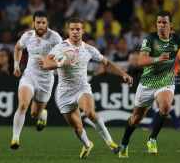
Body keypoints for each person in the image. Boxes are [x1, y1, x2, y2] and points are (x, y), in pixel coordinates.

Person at [43, 17, 133, 159]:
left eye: (78, 29)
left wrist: (123, 74)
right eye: (72, 29)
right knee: (77, 128)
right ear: (68, 31)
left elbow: (107, 63)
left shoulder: (88, 49)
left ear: (83, 30)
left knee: (90, 112)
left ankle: (110, 142)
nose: (75, 32)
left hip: (82, 88)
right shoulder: (60, 47)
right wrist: (62, 64)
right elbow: (46, 64)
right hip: (64, 92)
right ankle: (87, 145)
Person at [118, 10, 180, 158]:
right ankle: (125, 142)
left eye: (164, 22)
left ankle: (152, 139)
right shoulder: (150, 38)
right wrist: (158, 59)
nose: (161, 25)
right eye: (159, 22)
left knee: (165, 106)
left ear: (170, 24)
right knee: (136, 118)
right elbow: (140, 61)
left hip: (166, 82)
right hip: (147, 83)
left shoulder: (179, 38)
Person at [10, 11, 62, 150]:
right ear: (33, 23)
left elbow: (64, 57)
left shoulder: (55, 38)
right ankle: (15, 139)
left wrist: (48, 60)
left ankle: (42, 115)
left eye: (43, 23)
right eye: (38, 22)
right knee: (23, 104)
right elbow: (18, 47)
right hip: (29, 77)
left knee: (34, 114)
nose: (40, 25)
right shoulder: (27, 36)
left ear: (47, 24)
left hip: (46, 80)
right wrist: (16, 65)